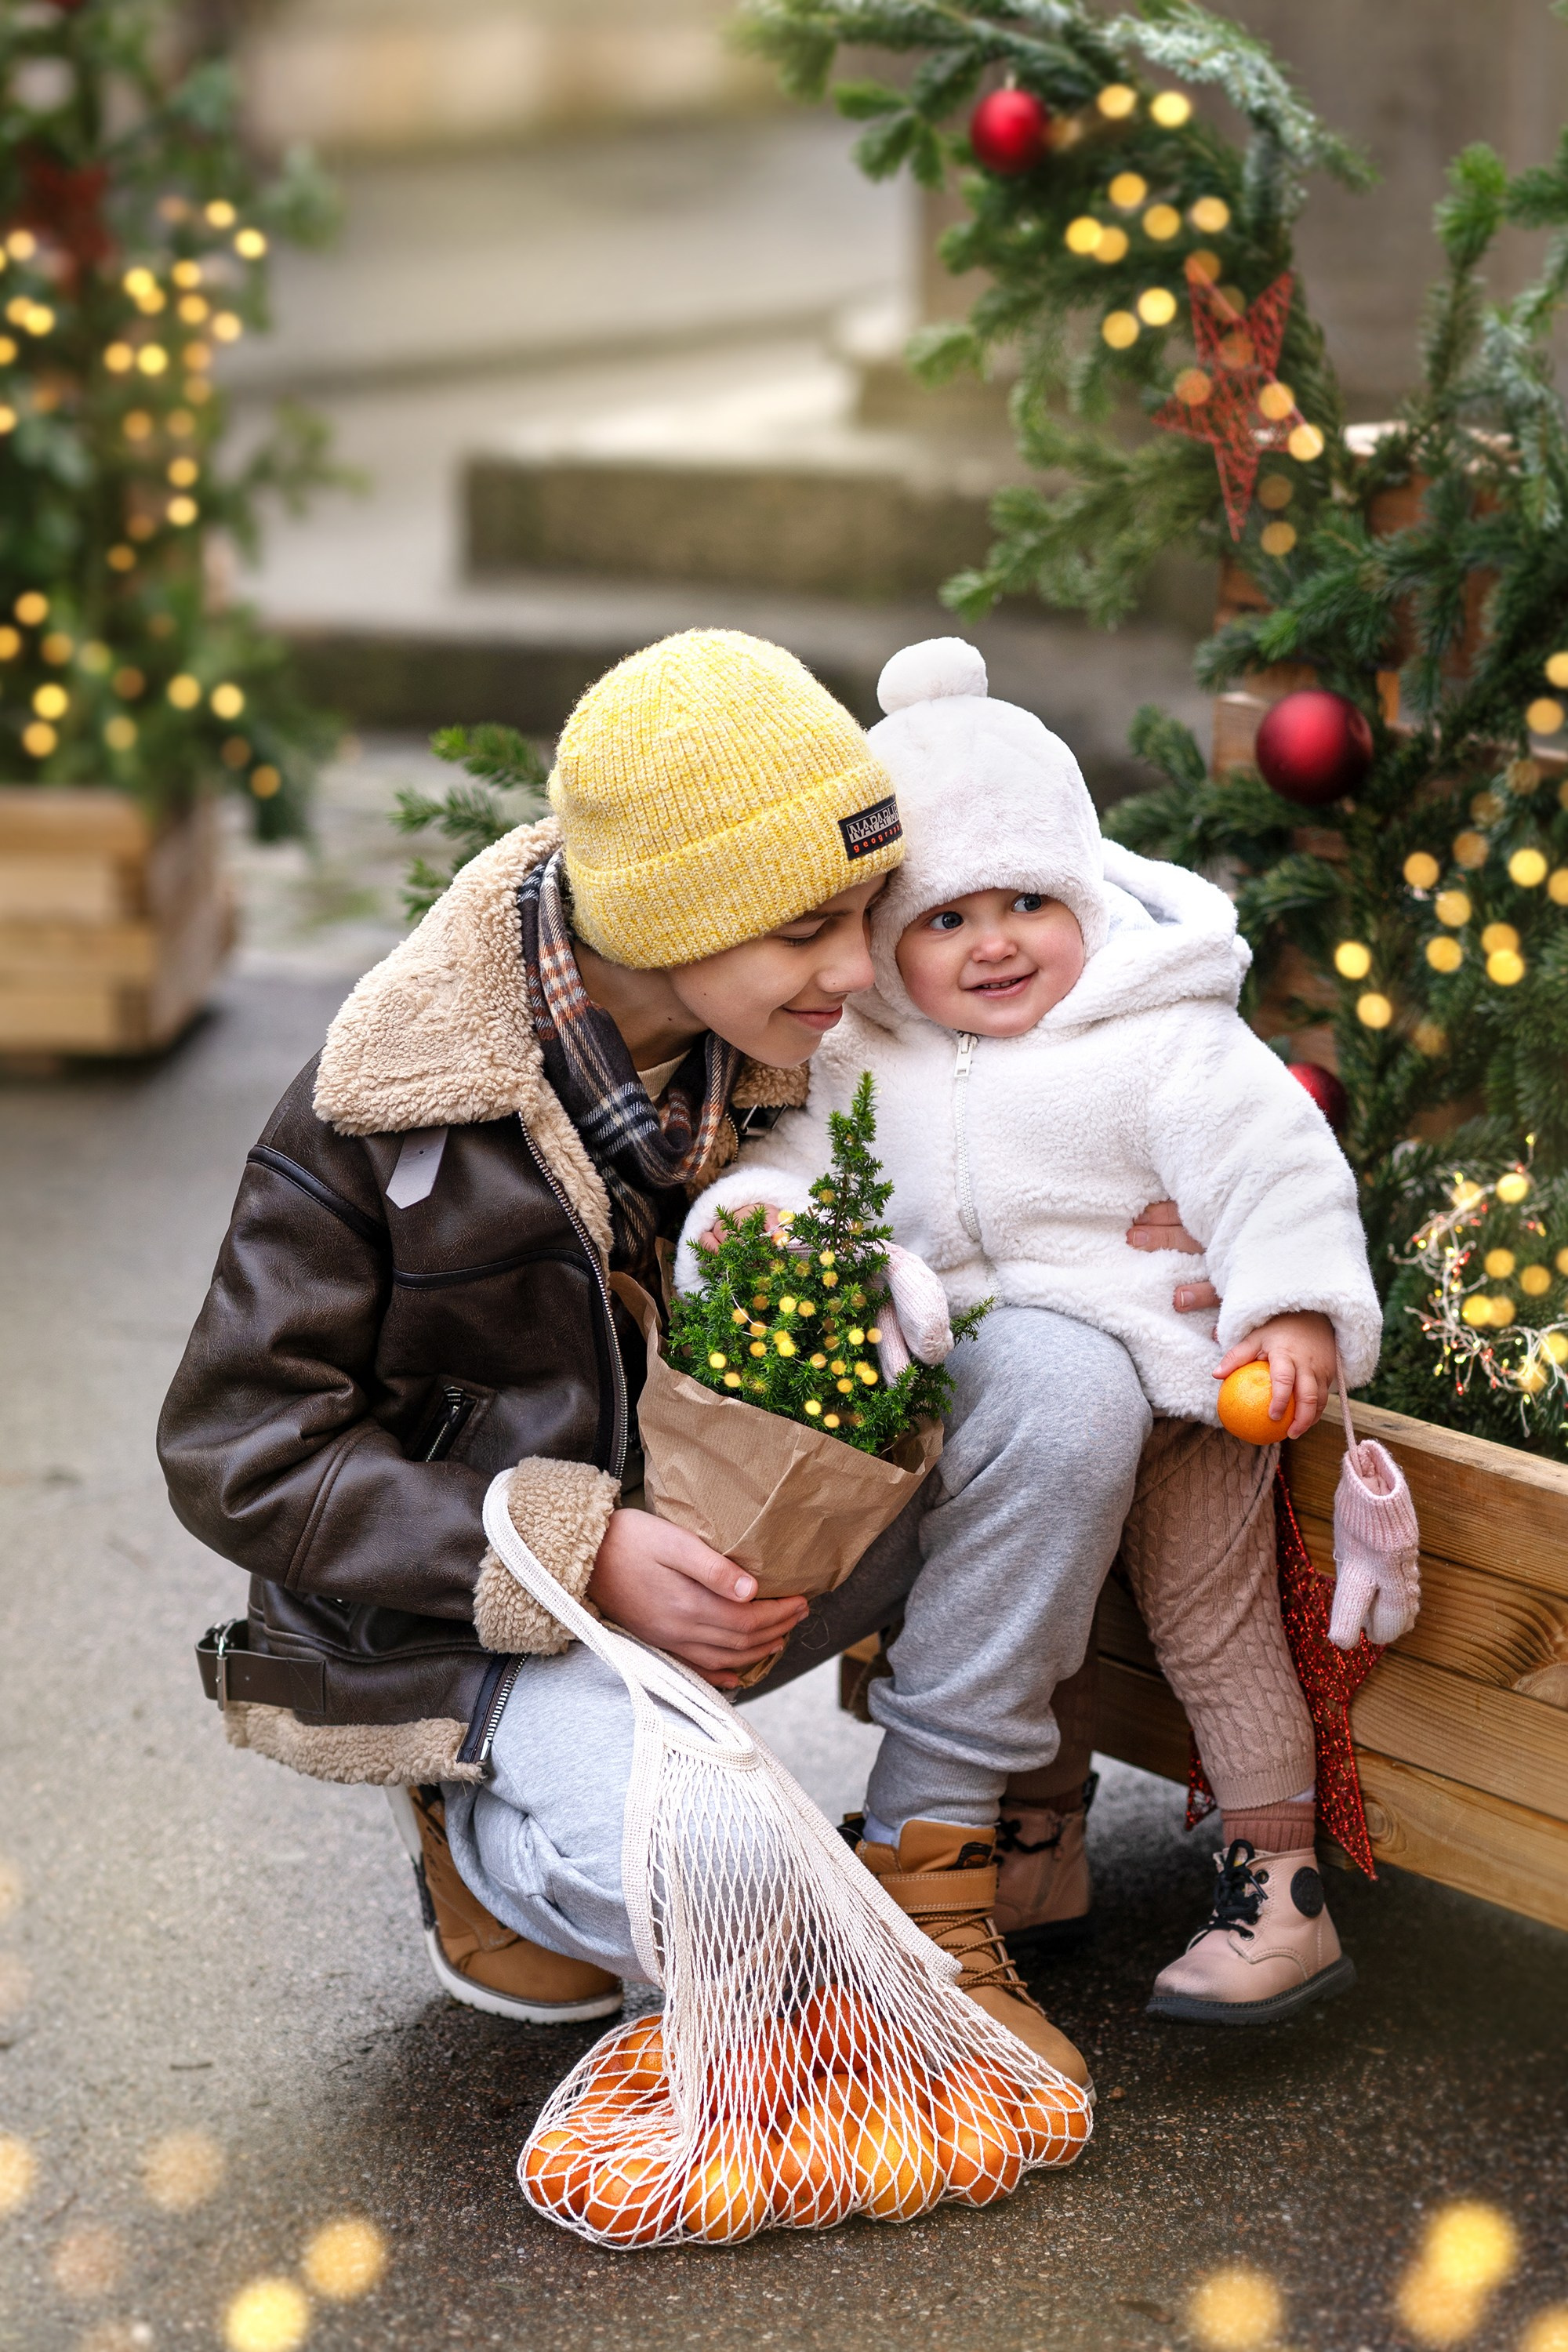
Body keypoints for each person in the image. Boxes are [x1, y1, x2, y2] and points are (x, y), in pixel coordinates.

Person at [159, 626, 1125, 2089]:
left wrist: (1150, 1223)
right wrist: (579, 1552)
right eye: (810, 929)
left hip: (756, 1559)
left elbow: (1047, 1119)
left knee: (1061, 1377)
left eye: (867, 911)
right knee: (739, 1903)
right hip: (504, 1626)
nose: (860, 965)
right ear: (672, 917)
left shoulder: (810, 1029)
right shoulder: (385, 1106)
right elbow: (236, 1453)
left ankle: (932, 1847)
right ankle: (492, 1831)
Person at [680, 637, 1382, 2025]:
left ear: (1079, 893)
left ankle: (1280, 1890)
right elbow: (805, 1187)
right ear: (886, 942)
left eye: (1024, 902)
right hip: (1002, 1396)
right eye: (943, 920)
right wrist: (764, 1222)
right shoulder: (858, 1055)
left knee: (1212, 1634)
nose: (992, 942)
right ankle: (1032, 1857)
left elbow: (1275, 1164)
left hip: (1182, 1393)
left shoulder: (1156, 1035)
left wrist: (1291, 1306)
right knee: (1025, 1605)